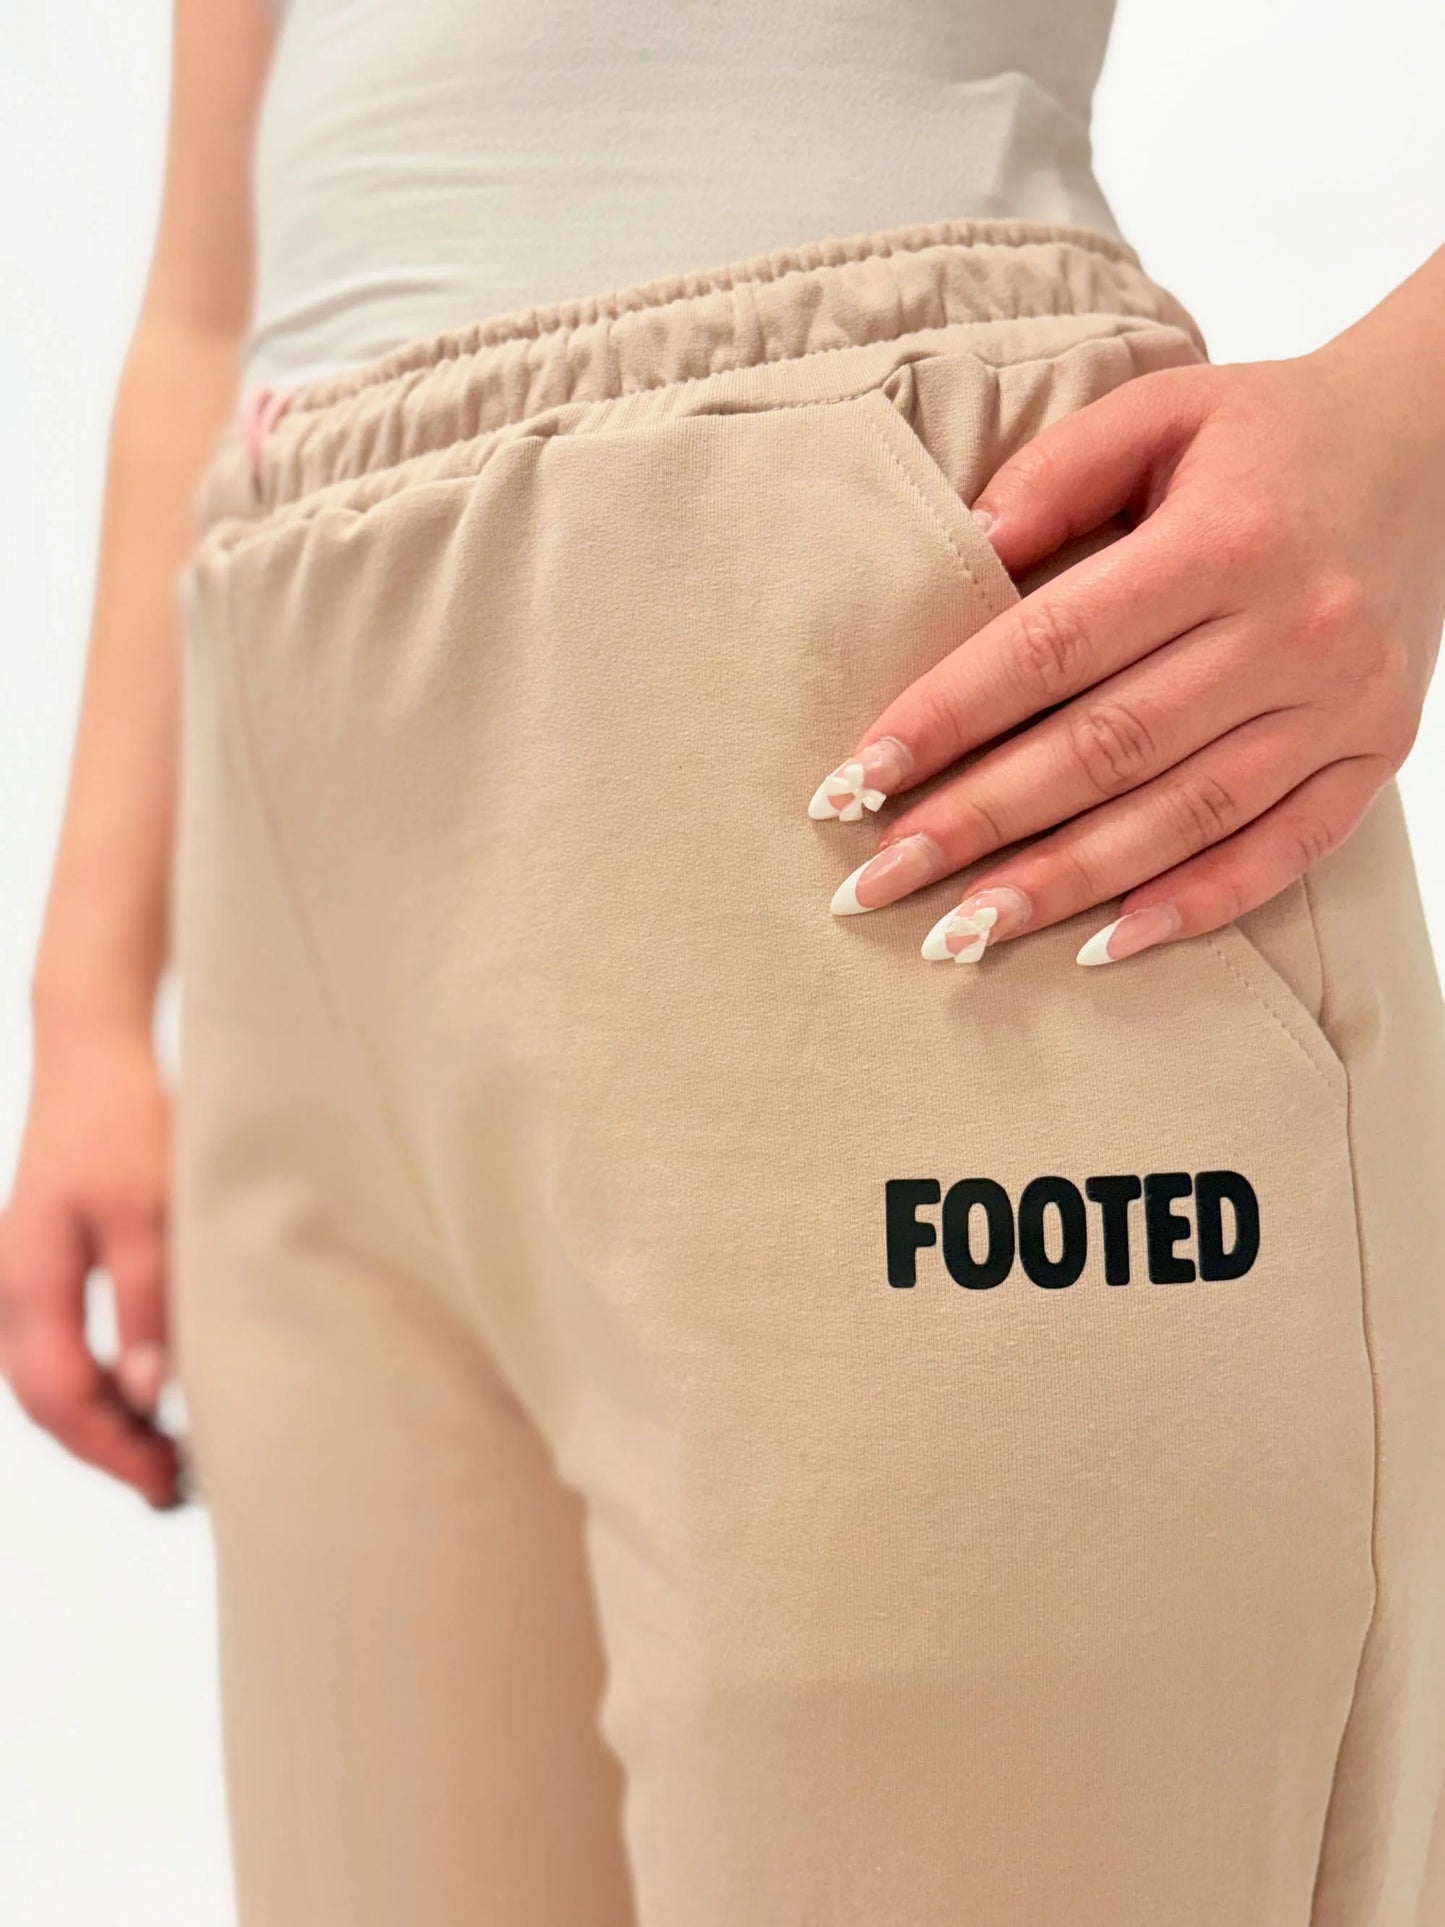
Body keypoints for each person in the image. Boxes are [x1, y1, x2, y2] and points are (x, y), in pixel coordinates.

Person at [3, 0, 1443, 1920]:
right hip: (296, 756)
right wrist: (91, 1002)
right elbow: (206, 283)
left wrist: (1406, 429)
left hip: (861, 641)